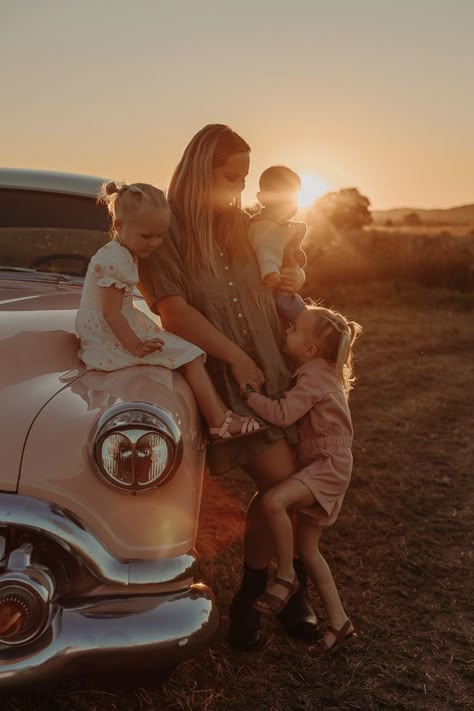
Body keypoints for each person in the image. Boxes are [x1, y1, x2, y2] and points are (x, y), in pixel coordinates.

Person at [138, 124, 319, 648]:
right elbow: (173, 311)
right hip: (224, 376)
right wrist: (236, 357)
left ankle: (264, 593)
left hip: (274, 369)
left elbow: (286, 267)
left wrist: (294, 279)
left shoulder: (248, 225)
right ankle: (274, 592)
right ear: (201, 171)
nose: (239, 190)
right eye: (230, 177)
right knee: (281, 487)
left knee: (290, 487)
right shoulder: (164, 230)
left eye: (244, 178)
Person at [76, 180, 267, 443]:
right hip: (109, 339)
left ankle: (221, 416)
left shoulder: (123, 253)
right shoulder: (114, 260)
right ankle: (218, 421)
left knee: (186, 352)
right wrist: (135, 344)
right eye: (147, 236)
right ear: (119, 226)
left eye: (160, 236)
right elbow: (110, 313)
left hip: (115, 331)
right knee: (190, 355)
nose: (155, 243)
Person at [245, 305, 362, 654]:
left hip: (326, 466)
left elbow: (283, 414)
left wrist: (250, 396)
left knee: (273, 501)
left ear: (310, 350)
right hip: (332, 464)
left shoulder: (312, 378)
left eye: (293, 329)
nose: (286, 332)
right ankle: (340, 623)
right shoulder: (323, 372)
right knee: (309, 549)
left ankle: (285, 576)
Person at [249, 165, 308, 323]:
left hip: (283, 286)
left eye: (293, 198)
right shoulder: (264, 226)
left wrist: (298, 271)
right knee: (300, 316)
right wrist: (270, 271)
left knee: (297, 308)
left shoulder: (284, 227)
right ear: (263, 199)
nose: (290, 204)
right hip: (273, 289)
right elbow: (265, 247)